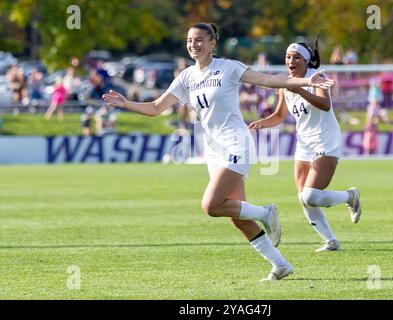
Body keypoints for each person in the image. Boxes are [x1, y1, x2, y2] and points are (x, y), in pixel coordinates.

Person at [103, 23, 335, 281]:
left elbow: (268, 80)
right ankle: (280, 265)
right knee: (235, 215)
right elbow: (156, 107)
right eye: (190, 40)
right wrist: (126, 104)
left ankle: (265, 212)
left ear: (213, 43)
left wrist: (305, 80)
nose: (194, 44)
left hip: (237, 145)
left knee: (211, 206)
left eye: (200, 39)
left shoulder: (229, 68)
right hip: (214, 151)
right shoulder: (187, 77)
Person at [249, 42, 361, 252]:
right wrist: (261, 123)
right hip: (304, 143)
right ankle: (330, 241)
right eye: (288, 57)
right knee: (303, 197)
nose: (291, 61)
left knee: (311, 195)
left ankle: (350, 196)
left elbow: (325, 104)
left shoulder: (318, 75)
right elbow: (280, 116)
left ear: (306, 60)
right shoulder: (285, 83)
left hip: (325, 140)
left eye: (296, 57)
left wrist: (299, 89)